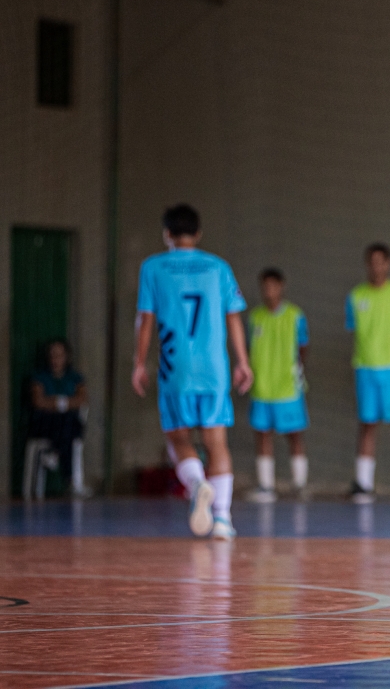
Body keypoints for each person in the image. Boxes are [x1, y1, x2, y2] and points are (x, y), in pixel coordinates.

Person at [132, 204, 252, 541]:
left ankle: (197, 483)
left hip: (176, 368)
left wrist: (139, 363)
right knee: (216, 442)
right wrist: (243, 362)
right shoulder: (218, 267)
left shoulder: (152, 267)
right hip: (213, 368)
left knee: (179, 438)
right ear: (198, 233)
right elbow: (233, 317)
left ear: (167, 234)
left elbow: (145, 320)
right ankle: (223, 519)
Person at [346, 243, 390, 502]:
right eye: (372, 261)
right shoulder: (355, 296)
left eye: (381, 261)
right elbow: (355, 331)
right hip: (366, 368)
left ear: (389, 263)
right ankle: (364, 483)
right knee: (367, 424)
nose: (376, 267)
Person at [247, 268, 311, 503]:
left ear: (281, 286)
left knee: (294, 435)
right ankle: (266, 486)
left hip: (287, 387)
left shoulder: (295, 316)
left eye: (273, 286)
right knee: (263, 435)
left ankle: (299, 485)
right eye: (265, 286)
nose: (269, 291)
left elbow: (303, 347)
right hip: (262, 387)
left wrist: (295, 370)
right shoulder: (255, 317)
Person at [29, 338, 89, 497]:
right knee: (63, 423)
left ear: (66, 357)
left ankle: (55, 453)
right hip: (46, 423)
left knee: (70, 422)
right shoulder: (40, 377)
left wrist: (57, 403)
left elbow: (82, 400)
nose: (55, 359)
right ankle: (70, 479)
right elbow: (39, 401)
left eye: (59, 355)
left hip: (68, 422)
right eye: (52, 355)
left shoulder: (74, 377)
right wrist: (65, 403)